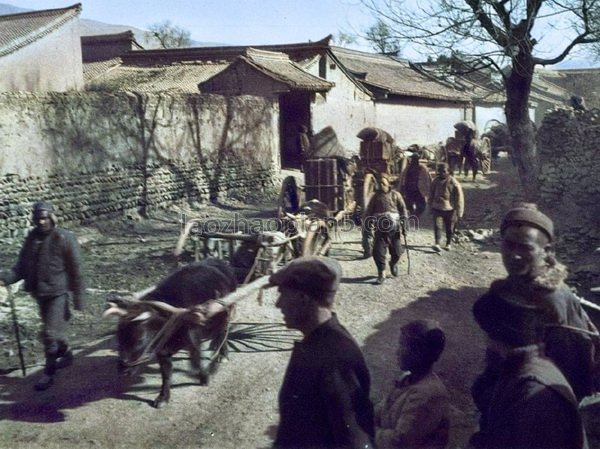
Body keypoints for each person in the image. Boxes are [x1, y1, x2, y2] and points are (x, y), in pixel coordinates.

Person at [471, 203, 600, 404]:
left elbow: (571, 369)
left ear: (546, 251)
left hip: (537, 400)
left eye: (525, 248)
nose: (514, 255)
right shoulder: (512, 285)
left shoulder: (551, 300)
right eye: (509, 244)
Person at [269, 256, 375, 449]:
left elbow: (354, 441)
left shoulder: (337, 357)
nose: (278, 304)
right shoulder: (317, 343)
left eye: (282, 294)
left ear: (303, 299)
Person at [469, 291, 588, 449]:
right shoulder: (520, 366)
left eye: (488, 333)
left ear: (500, 335)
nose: (486, 342)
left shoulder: (535, 396)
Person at [0, 201, 84, 391]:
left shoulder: (64, 237)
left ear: (52, 217)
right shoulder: (32, 238)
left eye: (45, 217)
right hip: (39, 294)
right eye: (38, 218)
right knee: (55, 332)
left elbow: (76, 269)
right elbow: (21, 266)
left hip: (58, 294)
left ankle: (48, 373)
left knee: (50, 334)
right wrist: (5, 279)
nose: (42, 222)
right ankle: (66, 352)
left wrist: (79, 298)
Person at [375, 320, 450, 449]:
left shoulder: (430, 394)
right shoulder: (407, 379)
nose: (397, 352)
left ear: (418, 352)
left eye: (403, 346)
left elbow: (399, 443)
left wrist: (368, 430)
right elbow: (381, 411)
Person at [363, 173, 408, 284]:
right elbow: (369, 212)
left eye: (384, 183)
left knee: (397, 252)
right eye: (379, 183)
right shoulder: (375, 197)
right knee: (378, 252)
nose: (381, 185)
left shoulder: (396, 195)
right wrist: (368, 226)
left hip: (394, 229)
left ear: (388, 184)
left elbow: (403, 210)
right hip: (380, 230)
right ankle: (381, 273)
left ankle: (393, 263)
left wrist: (405, 226)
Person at [427, 163, 464, 252]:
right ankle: (437, 243)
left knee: (449, 227)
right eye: (439, 171)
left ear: (448, 171)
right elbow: (430, 195)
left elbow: (459, 198)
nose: (441, 173)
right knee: (437, 226)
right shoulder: (435, 181)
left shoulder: (453, 182)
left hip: (450, 209)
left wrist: (459, 212)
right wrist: (430, 207)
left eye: (444, 171)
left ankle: (448, 243)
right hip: (437, 208)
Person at [398, 152, 432, 218]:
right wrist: (402, 187)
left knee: (422, 205)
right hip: (409, 189)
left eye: (415, 159)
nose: (414, 160)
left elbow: (428, 178)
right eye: (413, 159)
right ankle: (413, 214)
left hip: (419, 190)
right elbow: (403, 178)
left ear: (418, 159)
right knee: (408, 203)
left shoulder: (423, 168)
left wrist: (429, 188)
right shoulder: (408, 168)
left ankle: (416, 214)